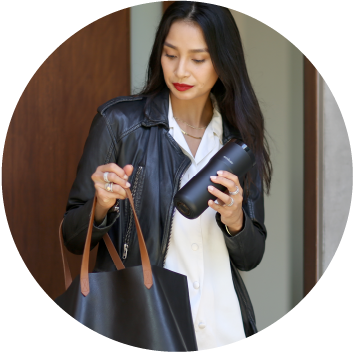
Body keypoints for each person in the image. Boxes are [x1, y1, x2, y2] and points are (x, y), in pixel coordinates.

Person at [62, 0, 272, 350]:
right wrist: (100, 206)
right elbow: (72, 236)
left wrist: (235, 219)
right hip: (146, 322)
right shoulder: (120, 124)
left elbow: (250, 257)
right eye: (170, 54)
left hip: (223, 328)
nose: (181, 71)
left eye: (198, 59)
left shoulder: (239, 139)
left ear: (223, 62)